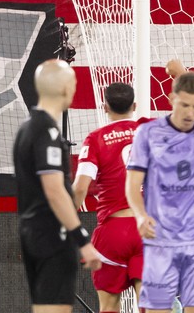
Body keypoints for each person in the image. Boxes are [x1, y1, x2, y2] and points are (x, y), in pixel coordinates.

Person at [126, 70, 194, 313]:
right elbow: (132, 184)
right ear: (170, 99)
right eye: (184, 105)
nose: (189, 113)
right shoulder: (149, 133)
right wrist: (139, 215)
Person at [14, 59, 102, 313]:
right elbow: (54, 191)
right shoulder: (47, 133)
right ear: (65, 88)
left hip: (33, 231)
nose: (75, 89)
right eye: (73, 83)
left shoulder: (26, 128)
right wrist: (82, 238)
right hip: (52, 234)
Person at [73, 82, 150, 313]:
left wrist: (64, 224)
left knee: (109, 306)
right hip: (148, 229)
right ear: (135, 105)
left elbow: (80, 188)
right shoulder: (150, 131)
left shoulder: (95, 139)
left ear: (104, 106)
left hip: (113, 232)